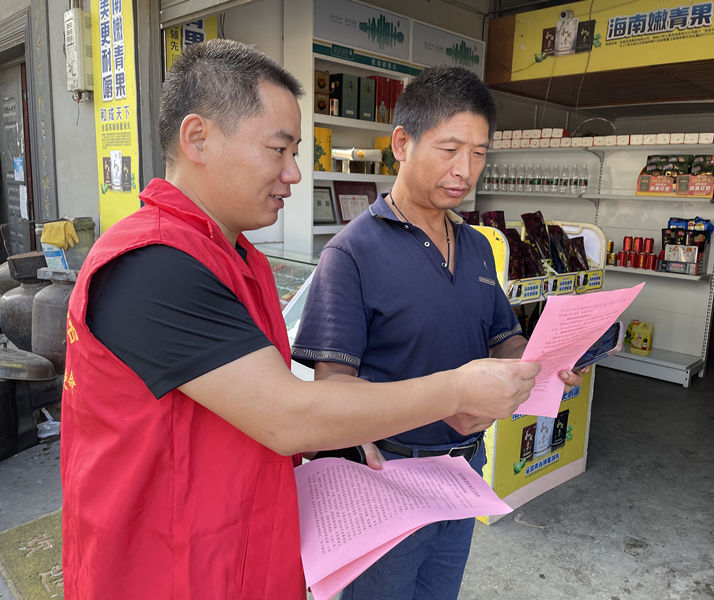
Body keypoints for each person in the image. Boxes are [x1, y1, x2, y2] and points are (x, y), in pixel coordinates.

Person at [60, 41, 541, 600]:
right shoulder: (154, 264)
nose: (293, 172)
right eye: (278, 149)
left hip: (238, 544)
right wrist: (456, 390)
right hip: (166, 568)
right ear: (197, 139)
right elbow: (287, 414)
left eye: (295, 152)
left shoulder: (238, 258)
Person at [291, 65, 584, 600]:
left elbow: (502, 337)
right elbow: (333, 384)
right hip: (387, 477)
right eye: (449, 149)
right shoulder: (352, 253)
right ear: (402, 143)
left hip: (464, 468)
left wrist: (544, 359)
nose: (464, 170)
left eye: (478, 153)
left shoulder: (476, 245)